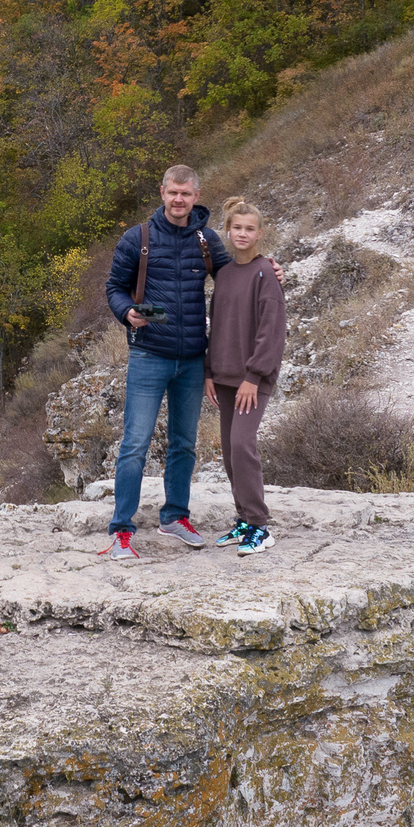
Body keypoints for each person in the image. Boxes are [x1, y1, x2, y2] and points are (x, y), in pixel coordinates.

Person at [100, 164, 230, 560]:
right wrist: (127, 312)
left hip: (191, 359)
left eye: (186, 194)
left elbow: (234, 279)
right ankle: (122, 530)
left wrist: (265, 267)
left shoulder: (206, 240)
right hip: (148, 354)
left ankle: (175, 517)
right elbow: (114, 287)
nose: (178, 199)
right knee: (135, 444)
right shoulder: (137, 238)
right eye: (173, 192)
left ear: (196, 196)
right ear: (162, 192)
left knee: (184, 444)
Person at [204, 197, 285, 555]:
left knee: (242, 445)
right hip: (223, 376)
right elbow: (216, 326)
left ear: (260, 233)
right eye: (237, 227)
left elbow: (272, 330)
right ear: (228, 230)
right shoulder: (223, 274)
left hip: (253, 379)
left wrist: (254, 376)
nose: (242, 233)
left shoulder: (266, 273)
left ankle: (260, 526)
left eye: (249, 229)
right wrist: (209, 371)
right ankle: (243, 520)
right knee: (229, 452)